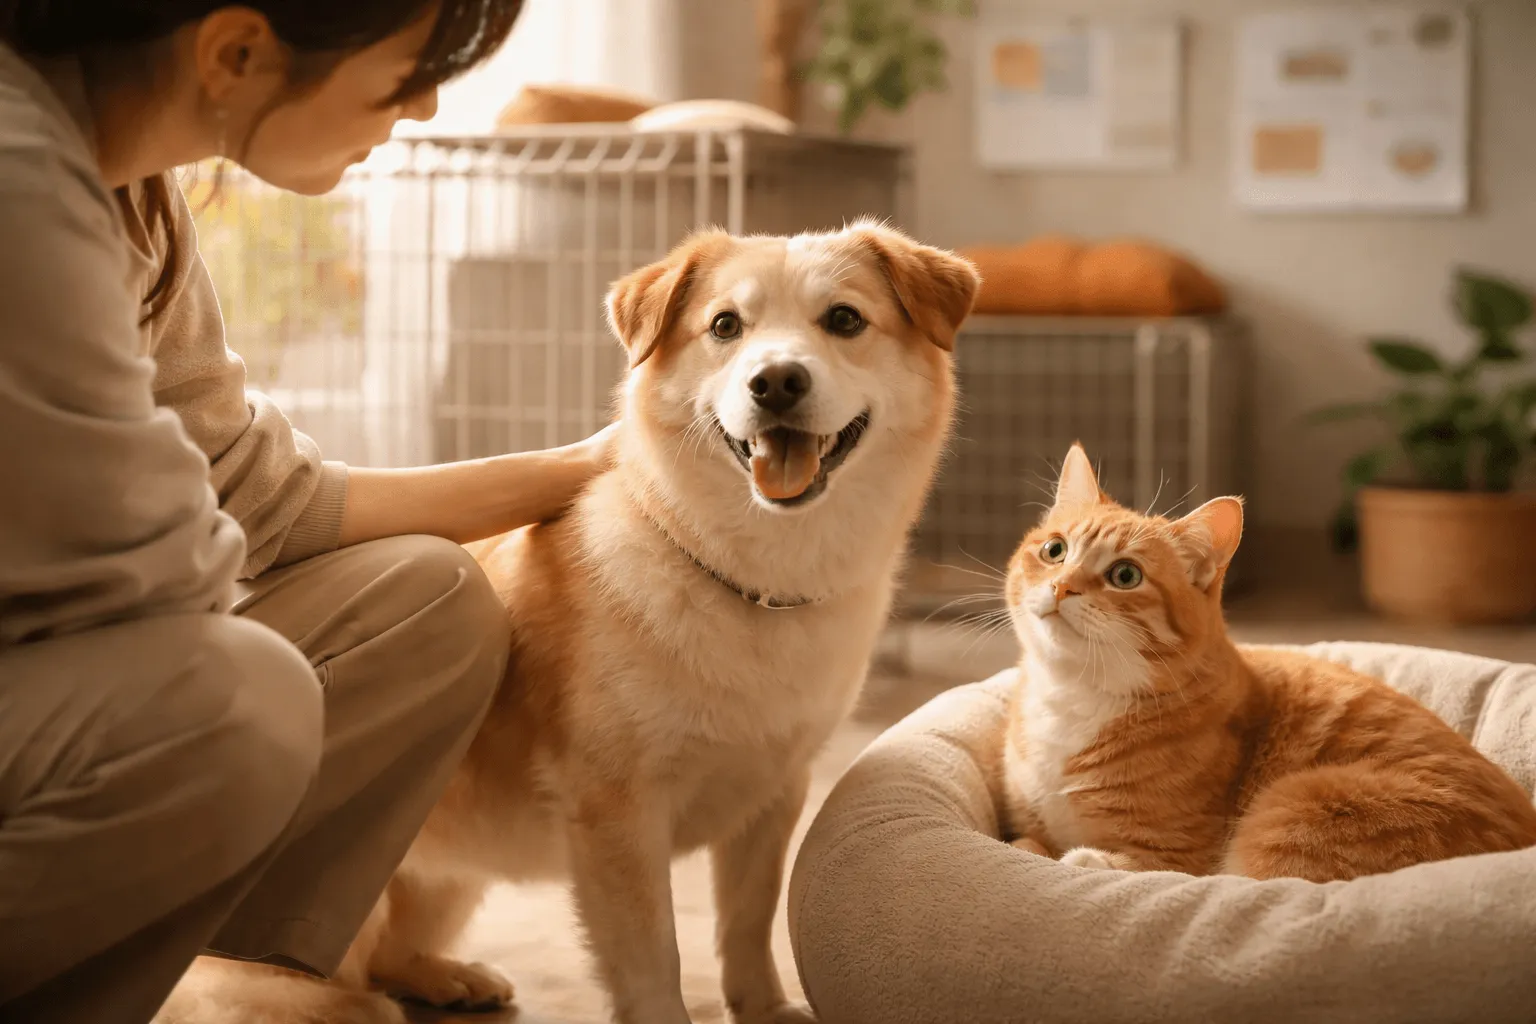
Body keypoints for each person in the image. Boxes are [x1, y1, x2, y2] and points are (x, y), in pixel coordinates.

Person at [0, 2, 612, 1021]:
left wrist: (586, 468)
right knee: (236, 698)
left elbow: (264, 495)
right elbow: (161, 580)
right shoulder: (22, 183)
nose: (419, 111)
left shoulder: (135, 196)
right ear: (237, 51)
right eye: (403, 75)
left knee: (430, 600)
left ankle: (261, 972)